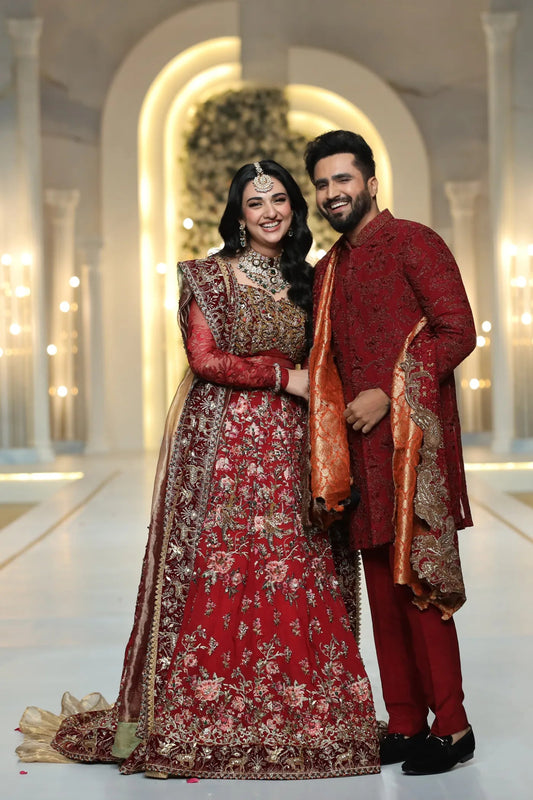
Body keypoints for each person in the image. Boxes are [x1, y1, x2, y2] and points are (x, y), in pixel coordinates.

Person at [17, 160, 379, 779]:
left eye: (280, 200)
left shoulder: (314, 280)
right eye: (255, 202)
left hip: (296, 442)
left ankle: (309, 713)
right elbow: (205, 357)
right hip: (223, 443)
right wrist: (280, 376)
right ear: (238, 213)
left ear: (294, 208)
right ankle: (202, 713)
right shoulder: (206, 276)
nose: (270, 211)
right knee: (221, 561)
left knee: (300, 561)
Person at [305, 130, 476, 776]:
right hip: (357, 460)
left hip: (412, 453)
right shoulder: (326, 274)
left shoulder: (414, 243)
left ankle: (452, 726)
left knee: (420, 586)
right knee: (379, 587)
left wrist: (387, 393)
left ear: (370, 183)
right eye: (322, 184)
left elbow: (457, 329)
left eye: (342, 180)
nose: (331, 193)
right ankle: (404, 722)